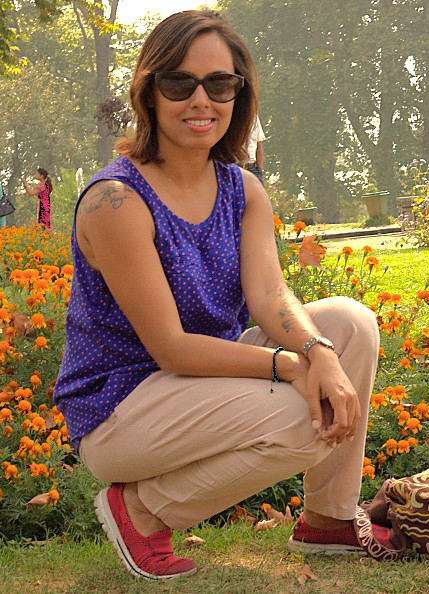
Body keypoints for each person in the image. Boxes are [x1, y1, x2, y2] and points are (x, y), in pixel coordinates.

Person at [53, 9, 389, 582]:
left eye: (220, 83)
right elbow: (172, 349)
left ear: (239, 93)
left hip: (202, 382)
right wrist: (289, 366)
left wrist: (320, 353)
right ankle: (139, 510)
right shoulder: (116, 201)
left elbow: (268, 294)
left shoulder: (241, 189)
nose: (200, 100)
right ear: (150, 92)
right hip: (123, 405)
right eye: (180, 83)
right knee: (308, 418)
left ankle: (327, 520)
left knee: (350, 325)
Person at [243, 116, 266, 186]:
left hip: (252, 168)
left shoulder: (254, 118)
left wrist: (260, 169)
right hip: (233, 168)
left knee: (261, 194)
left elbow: (259, 147)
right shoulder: (229, 116)